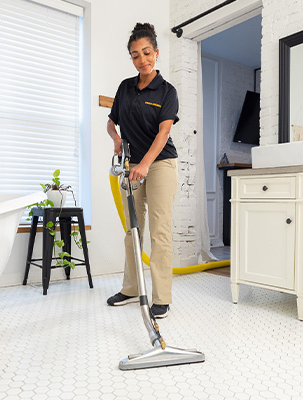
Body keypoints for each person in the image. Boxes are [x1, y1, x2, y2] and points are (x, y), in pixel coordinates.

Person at [106, 22, 179, 319]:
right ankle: (131, 287)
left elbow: (163, 134)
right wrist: (116, 138)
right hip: (130, 165)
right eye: (135, 55)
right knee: (132, 230)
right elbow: (111, 122)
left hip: (160, 163)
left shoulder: (167, 91)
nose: (142, 60)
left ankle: (161, 297)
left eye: (146, 53)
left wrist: (146, 164)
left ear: (156, 53)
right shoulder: (125, 87)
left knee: (159, 230)